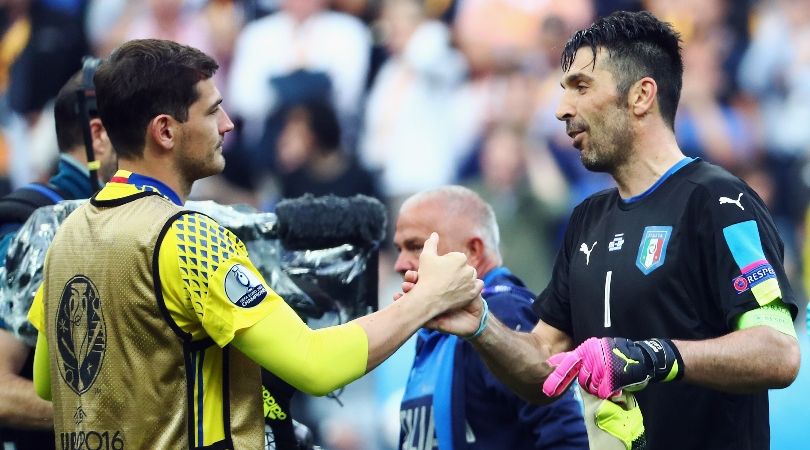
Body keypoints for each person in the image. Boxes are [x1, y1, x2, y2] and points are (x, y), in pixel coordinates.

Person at [26, 38, 481, 449]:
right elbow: (316, 364)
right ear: (165, 131)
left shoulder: (65, 232)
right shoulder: (187, 237)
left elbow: (52, 382)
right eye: (211, 111)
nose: (226, 124)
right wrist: (427, 297)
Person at [402, 11, 801, 450]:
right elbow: (543, 368)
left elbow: (778, 352)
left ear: (641, 96)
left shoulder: (720, 202)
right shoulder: (587, 219)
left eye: (581, 87)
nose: (560, 110)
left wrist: (654, 357)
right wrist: (481, 324)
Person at [392, 185, 588, 449]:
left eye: (416, 247)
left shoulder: (503, 311)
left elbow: (570, 436)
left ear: (473, 251)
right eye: (398, 249)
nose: (400, 264)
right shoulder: (438, 326)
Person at [0, 62, 117, 450]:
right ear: (98, 135)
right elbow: (1, 391)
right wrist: (123, 415)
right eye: (147, 121)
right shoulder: (27, 230)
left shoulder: (135, 219)